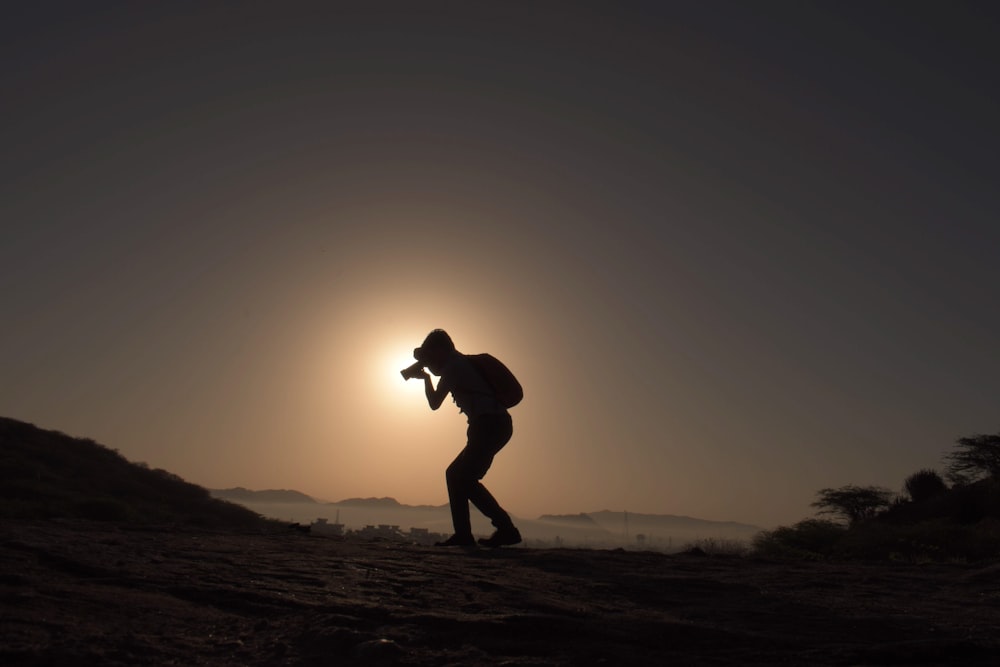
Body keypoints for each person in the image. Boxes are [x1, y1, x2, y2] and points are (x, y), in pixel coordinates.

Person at [407, 329, 522, 548]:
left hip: (489, 424)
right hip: (491, 425)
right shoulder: (458, 365)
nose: (429, 361)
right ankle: (465, 534)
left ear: (441, 350)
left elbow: (434, 403)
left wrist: (425, 379)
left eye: (430, 355)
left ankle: (505, 529)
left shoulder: (453, 367)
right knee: (456, 475)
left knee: (464, 478)